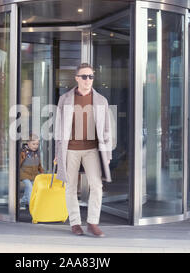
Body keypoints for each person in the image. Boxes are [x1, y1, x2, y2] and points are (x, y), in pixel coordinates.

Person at [54, 63, 113, 237]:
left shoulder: (101, 100)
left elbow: (107, 130)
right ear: (77, 78)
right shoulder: (65, 99)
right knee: (70, 186)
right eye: (84, 76)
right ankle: (75, 223)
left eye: (91, 76)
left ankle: (93, 222)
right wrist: (58, 153)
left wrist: (107, 154)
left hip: (92, 150)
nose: (88, 80)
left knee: (96, 185)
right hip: (70, 149)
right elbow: (58, 129)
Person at [19, 133, 44, 209]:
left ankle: (23, 202)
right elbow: (19, 162)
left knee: (30, 188)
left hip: (34, 175)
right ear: (28, 143)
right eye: (33, 144)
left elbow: (38, 164)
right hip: (24, 174)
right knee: (30, 188)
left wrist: (41, 171)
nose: (35, 146)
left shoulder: (37, 153)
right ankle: (32, 206)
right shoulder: (24, 152)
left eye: (37, 144)